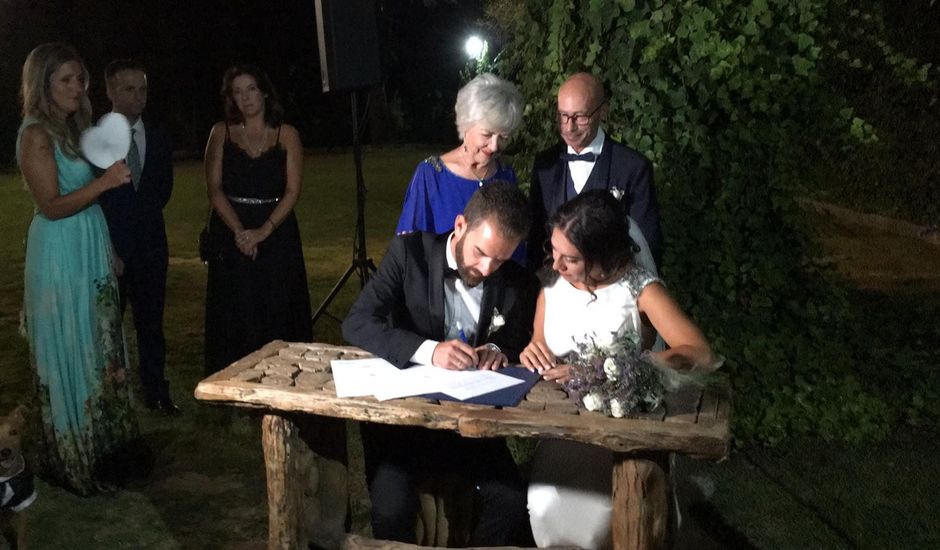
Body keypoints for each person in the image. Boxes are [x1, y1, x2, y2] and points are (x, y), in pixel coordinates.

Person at [342, 182, 537, 545]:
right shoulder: (408, 253)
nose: (487, 268)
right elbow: (357, 322)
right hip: (403, 427)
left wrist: (498, 346)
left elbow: (521, 336)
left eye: (500, 259)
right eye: (480, 252)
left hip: (472, 430)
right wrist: (427, 350)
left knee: (511, 501)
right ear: (460, 225)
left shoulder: (516, 281)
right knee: (390, 509)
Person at [519, 191, 715, 550]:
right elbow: (540, 341)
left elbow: (698, 352)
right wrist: (534, 350)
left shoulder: (640, 289)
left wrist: (613, 368)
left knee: (606, 522)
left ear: (601, 256)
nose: (557, 265)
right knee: (546, 508)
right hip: (562, 429)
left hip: (619, 430)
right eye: (555, 251)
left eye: (572, 259)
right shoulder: (553, 282)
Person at [16, 42, 137, 495]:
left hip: (86, 246)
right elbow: (50, 206)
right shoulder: (35, 135)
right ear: (43, 84)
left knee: (97, 347)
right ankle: (72, 462)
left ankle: (102, 453)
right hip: (59, 254)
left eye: (79, 79)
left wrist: (108, 251)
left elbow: (83, 205)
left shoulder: (70, 129)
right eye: (65, 79)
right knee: (72, 349)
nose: (76, 87)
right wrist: (105, 182)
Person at [203, 65, 312, 375]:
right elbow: (214, 189)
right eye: (237, 92)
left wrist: (263, 232)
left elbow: (292, 190)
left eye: (250, 89)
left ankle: (279, 374)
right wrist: (240, 232)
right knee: (235, 308)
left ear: (264, 91)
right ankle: (233, 377)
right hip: (230, 229)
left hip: (276, 231)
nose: (244, 97)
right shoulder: (221, 132)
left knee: (276, 306)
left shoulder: (287, 135)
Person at [97, 59, 177, 413]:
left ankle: (156, 392)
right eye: (128, 89)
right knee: (107, 327)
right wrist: (110, 244)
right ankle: (106, 396)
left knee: (151, 325)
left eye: (142, 88)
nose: (137, 96)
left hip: (151, 248)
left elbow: (162, 190)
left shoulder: (158, 135)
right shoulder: (92, 136)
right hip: (109, 250)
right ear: (111, 91)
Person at [528, 72, 663, 269]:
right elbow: (535, 240)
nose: (569, 127)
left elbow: (648, 245)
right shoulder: (545, 165)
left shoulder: (633, 167)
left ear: (603, 111)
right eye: (563, 116)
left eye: (580, 117)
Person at [395, 73, 523, 236]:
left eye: (504, 137)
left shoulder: (506, 175)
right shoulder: (431, 176)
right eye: (486, 134)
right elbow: (409, 246)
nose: (494, 146)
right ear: (467, 123)